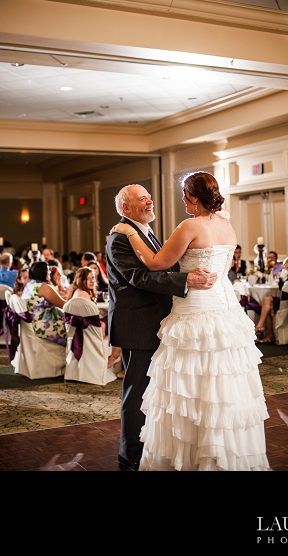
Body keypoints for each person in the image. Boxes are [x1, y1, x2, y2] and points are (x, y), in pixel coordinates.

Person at [106, 178, 237, 471]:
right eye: (142, 199)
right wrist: (187, 279)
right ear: (126, 207)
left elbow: (167, 262)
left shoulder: (148, 232)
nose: (150, 201)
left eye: (149, 196)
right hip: (139, 325)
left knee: (171, 391)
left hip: (170, 321)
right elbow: (140, 277)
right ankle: (131, 457)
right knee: (138, 392)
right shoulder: (119, 238)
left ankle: (166, 448)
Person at [253, 256, 288, 343]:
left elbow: (282, 289)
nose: (285, 270)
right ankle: (264, 330)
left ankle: (261, 329)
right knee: (266, 305)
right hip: (286, 302)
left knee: (267, 303)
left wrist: (282, 279)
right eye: (284, 268)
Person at [21, 260, 68, 347]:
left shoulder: (30, 285)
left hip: (32, 325)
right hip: (44, 326)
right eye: (48, 270)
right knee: (77, 328)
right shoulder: (43, 287)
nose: (49, 272)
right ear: (44, 272)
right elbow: (65, 305)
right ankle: (77, 358)